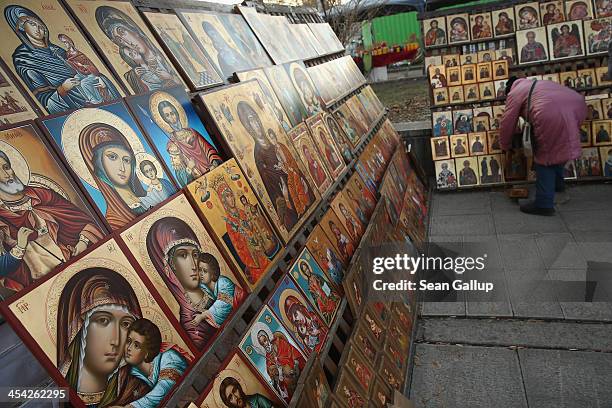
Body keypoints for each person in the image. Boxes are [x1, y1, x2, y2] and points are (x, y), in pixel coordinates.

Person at [0, 150, 103, 291]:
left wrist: (82, 243)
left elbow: (84, 220)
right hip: (42, 285)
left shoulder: (43, 195)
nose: (6, 174)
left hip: (77, 266)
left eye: (6, 167)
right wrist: (20, 247)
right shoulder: (2, 219)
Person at [500, 77, 587, 215]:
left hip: (548, 114)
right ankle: (558, 186)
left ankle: (543, 204)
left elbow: (508, 121)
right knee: (559, 148)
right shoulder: (540, 83)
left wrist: (505, 144)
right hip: (577, 106)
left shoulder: (515, 92)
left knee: (545, 157)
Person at [123, 318, 188, 407]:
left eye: (136, 345)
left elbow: (165, 389)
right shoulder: (132, 371)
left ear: (147, 353)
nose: (129, 348)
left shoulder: (170, 357)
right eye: (128, 341)